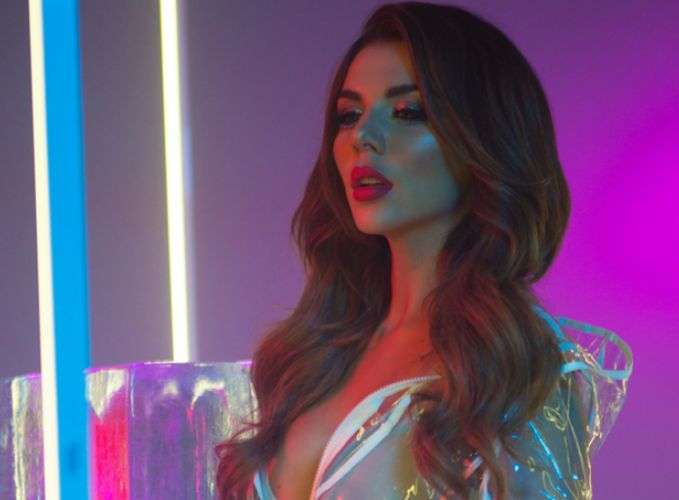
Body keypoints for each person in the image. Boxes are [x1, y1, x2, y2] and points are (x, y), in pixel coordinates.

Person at [215, 2, 633, 499]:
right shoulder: (314, 356)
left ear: (483, 140)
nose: (363, 137)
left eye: (408, 112)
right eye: (349, 115)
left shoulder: (515, 371)